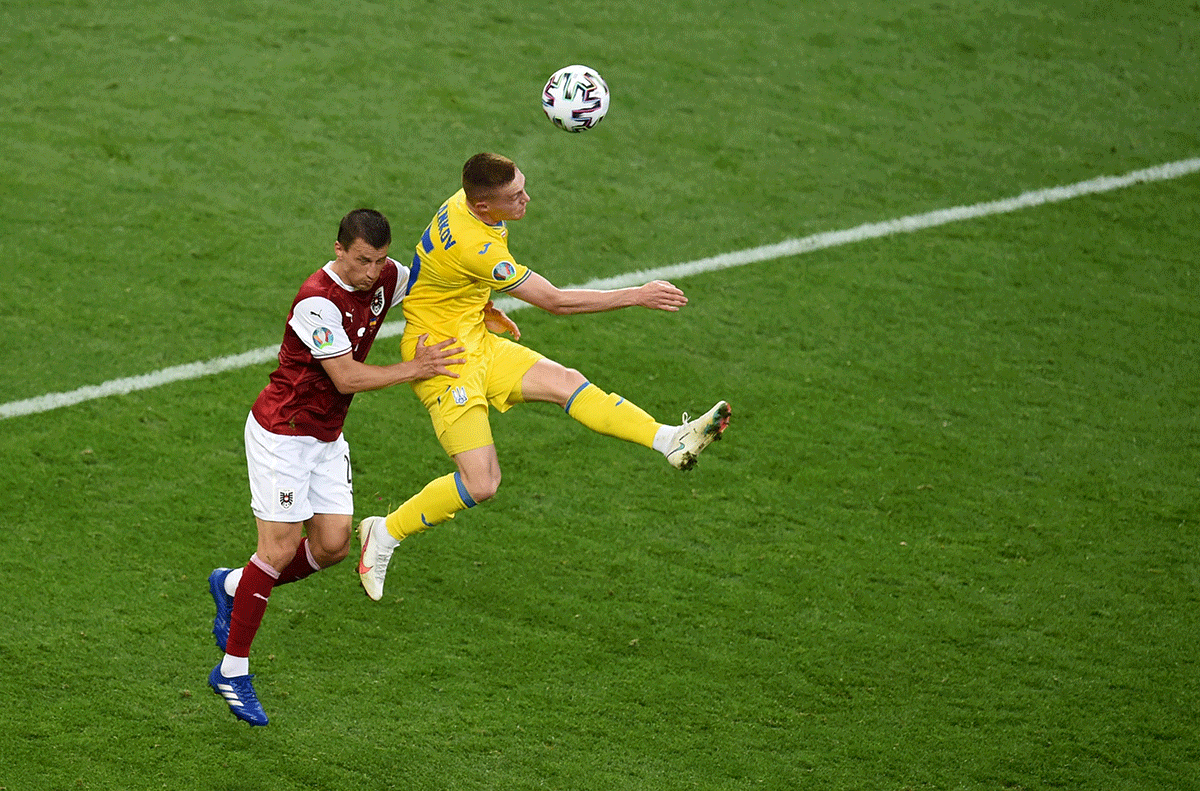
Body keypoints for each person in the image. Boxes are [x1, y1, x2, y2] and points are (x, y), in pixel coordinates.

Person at [356, 153, 731, 601]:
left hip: (469, 333)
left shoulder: (467, 201)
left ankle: (669, 438)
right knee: (482, 483)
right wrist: (637, 294)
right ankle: (384, 532)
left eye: (523, 187)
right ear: (482, 207)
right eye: (515, 196)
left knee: (566, 381)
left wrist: (481, 304)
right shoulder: (479, 247)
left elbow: (436, 269)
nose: (526, 200)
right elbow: (555, 301)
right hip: (443, 357)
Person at [206, 208, 479, 726]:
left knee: (332, 546)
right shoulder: (317, 301)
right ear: (338, 250)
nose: (371, 272)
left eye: (378, 260)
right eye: (360, 261)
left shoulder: (386, 276)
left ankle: (234, 587)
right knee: (280, 547)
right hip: (282, 434)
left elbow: (436, 285)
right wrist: (416, 368)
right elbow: (347, 378)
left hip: (326, 438)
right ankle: (233, 668)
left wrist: (482, 310)